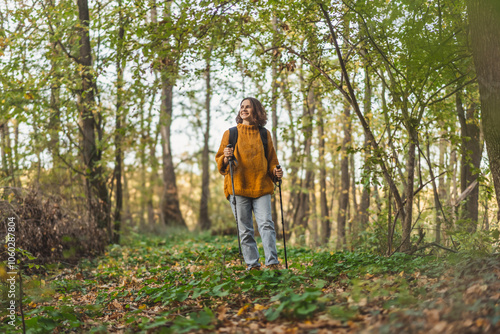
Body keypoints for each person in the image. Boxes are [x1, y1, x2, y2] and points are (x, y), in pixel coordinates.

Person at [215, 97, 284, 270]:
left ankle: (272, 264)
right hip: (238, 186)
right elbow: (219, 160)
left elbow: (271, 161)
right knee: (245, 230)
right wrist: (226, 156)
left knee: (266, 224)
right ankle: (253, 266)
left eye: (248, 107)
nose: (244, 109)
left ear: (256, 111)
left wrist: (275, 171)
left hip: (261, 187)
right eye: (242, 107)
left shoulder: (264, 134)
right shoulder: (230, 133)